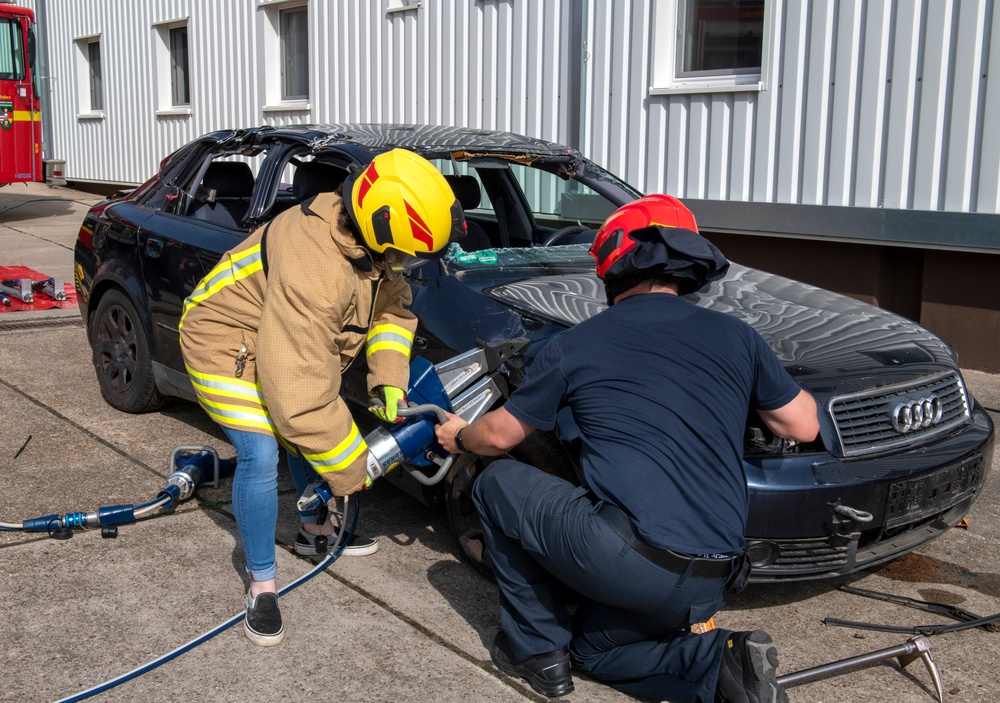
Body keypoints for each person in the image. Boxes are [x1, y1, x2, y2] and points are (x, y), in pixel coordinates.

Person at [434, 194, 819, 701]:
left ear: (610, 264)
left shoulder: (578, 343)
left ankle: (537, 652)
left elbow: (501, 436)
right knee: (597, 651)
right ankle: (720, 662)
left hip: (632, 564)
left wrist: (459, 435)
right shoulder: (738, 337)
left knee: (497, 481)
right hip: (716, 574)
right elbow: (803, 425)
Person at [180, 149, 465, 646]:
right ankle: (262, 586)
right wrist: (356, 469)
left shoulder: (365, 240)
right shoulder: (313, 263)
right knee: (264, 447)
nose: (405, 265)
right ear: (376, 225)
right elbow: (299, 396)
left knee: (305, 434)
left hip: (280, 339)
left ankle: (313, 534)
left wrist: (390, 379)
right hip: (224, 341)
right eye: (402, 254)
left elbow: (392, 310)